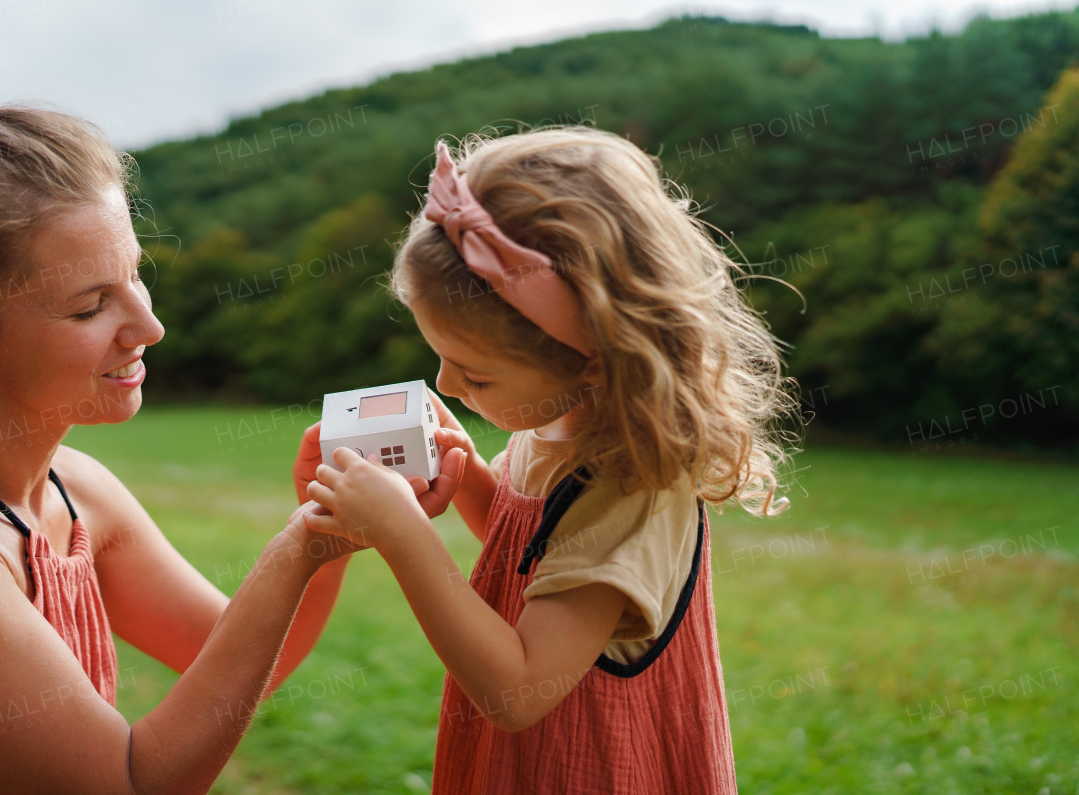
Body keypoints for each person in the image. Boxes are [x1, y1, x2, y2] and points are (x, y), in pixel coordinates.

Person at [0, 82, 463, 794]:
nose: (150, 329)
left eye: (134, 277)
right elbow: (129, 784)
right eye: (89, 307)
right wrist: (297, 548)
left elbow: (232, 656)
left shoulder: (75, 489)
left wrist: (326, 533)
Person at [304, 128, 799, 794]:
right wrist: (470, 472)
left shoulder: (630, 483)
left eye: (476, 376)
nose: (446, 387)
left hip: (590, 767)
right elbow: (538, 562)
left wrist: (403, 535)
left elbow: (517, 691)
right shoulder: (557, 424)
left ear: (589, 357)